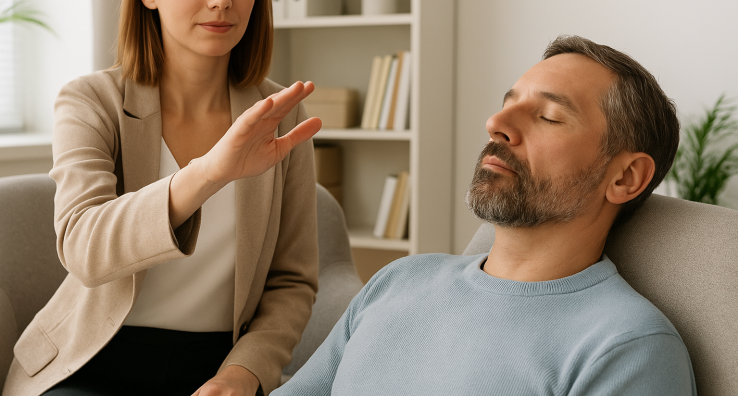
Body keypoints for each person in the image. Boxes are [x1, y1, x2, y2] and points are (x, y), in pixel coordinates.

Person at [3, 0, 322, 396]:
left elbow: (292, 279)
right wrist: (209, 172)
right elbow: (84, 247)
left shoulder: (280, 112)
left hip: (218, 366)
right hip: (92, 359)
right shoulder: (91, 101)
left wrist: (245, 372)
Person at [273, 35, 697, 396]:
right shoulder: (399, 280)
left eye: (548, 116)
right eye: (506, 104)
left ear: (625, 177)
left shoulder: (627, 348)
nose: (496, 123)